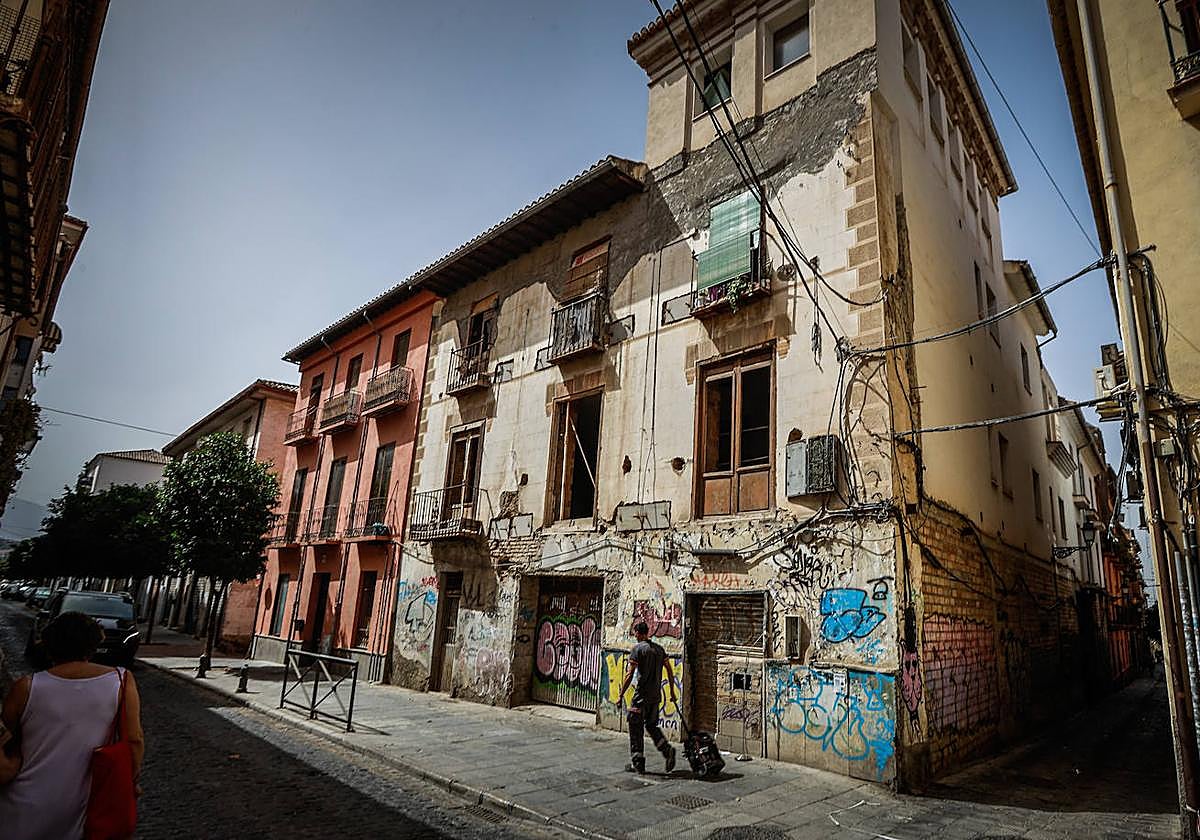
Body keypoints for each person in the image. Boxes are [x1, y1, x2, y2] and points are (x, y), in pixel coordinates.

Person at [0, 611, 145, 839]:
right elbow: (134, 740)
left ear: (49, 644)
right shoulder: (120, 681)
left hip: (22, 803)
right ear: (94, 644)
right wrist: (132, 780)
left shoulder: (26, 687)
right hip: (81, 804)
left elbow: (5, 740)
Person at [619, 621, 677, 774]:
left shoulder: (638, 649)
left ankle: (638, 762)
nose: (634, 635)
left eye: (635, 632)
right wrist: (671, 692)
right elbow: (670, 672)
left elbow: (629, 673)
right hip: (655, 697)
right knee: (651, 726)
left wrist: (621, 694)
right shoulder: (659, 650)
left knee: (635, 725)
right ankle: (667, 750)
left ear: (639, 633)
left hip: (641, 697)